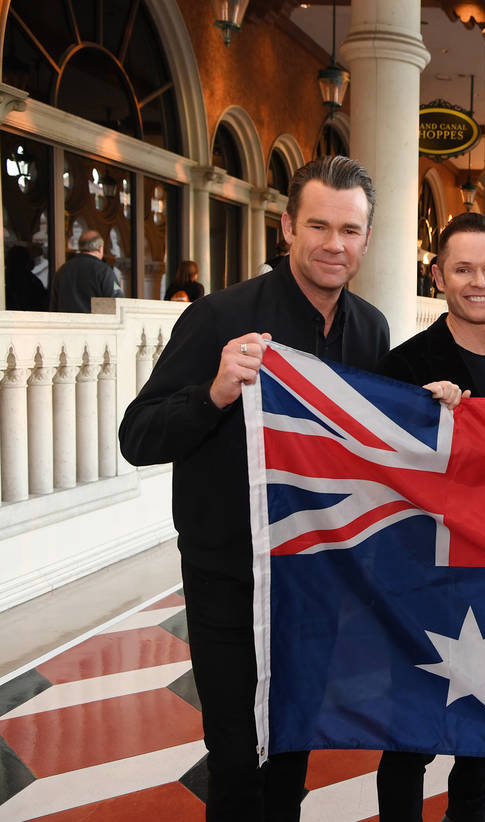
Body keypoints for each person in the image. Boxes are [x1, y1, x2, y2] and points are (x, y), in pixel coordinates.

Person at [118, 156, 390, 822]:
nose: (334, 244)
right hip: (228, 579)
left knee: (291, 756)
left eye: (349, 230)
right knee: (238, 763)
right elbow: (138, 436)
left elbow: (379, 447)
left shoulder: (371, 331)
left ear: (366, 238)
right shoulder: (220, 318)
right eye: (319, 226)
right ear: (288, 226)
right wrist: (213, 392)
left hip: (315, 583)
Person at [374, 211, 485, 822]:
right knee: (409, 735)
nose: (479, 282)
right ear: (438, 276)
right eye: (462, 269)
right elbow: (383, 469)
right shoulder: (408, 364)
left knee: (480, 735)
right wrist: (422, 417)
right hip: (424, 578)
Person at [48, 230, 122, 311]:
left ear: (80, 247)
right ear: (101, 248)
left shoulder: (62, 270)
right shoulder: (104, 271)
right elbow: (117, 302)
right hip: (94, 322)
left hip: (66, 322)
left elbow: (54, 306)